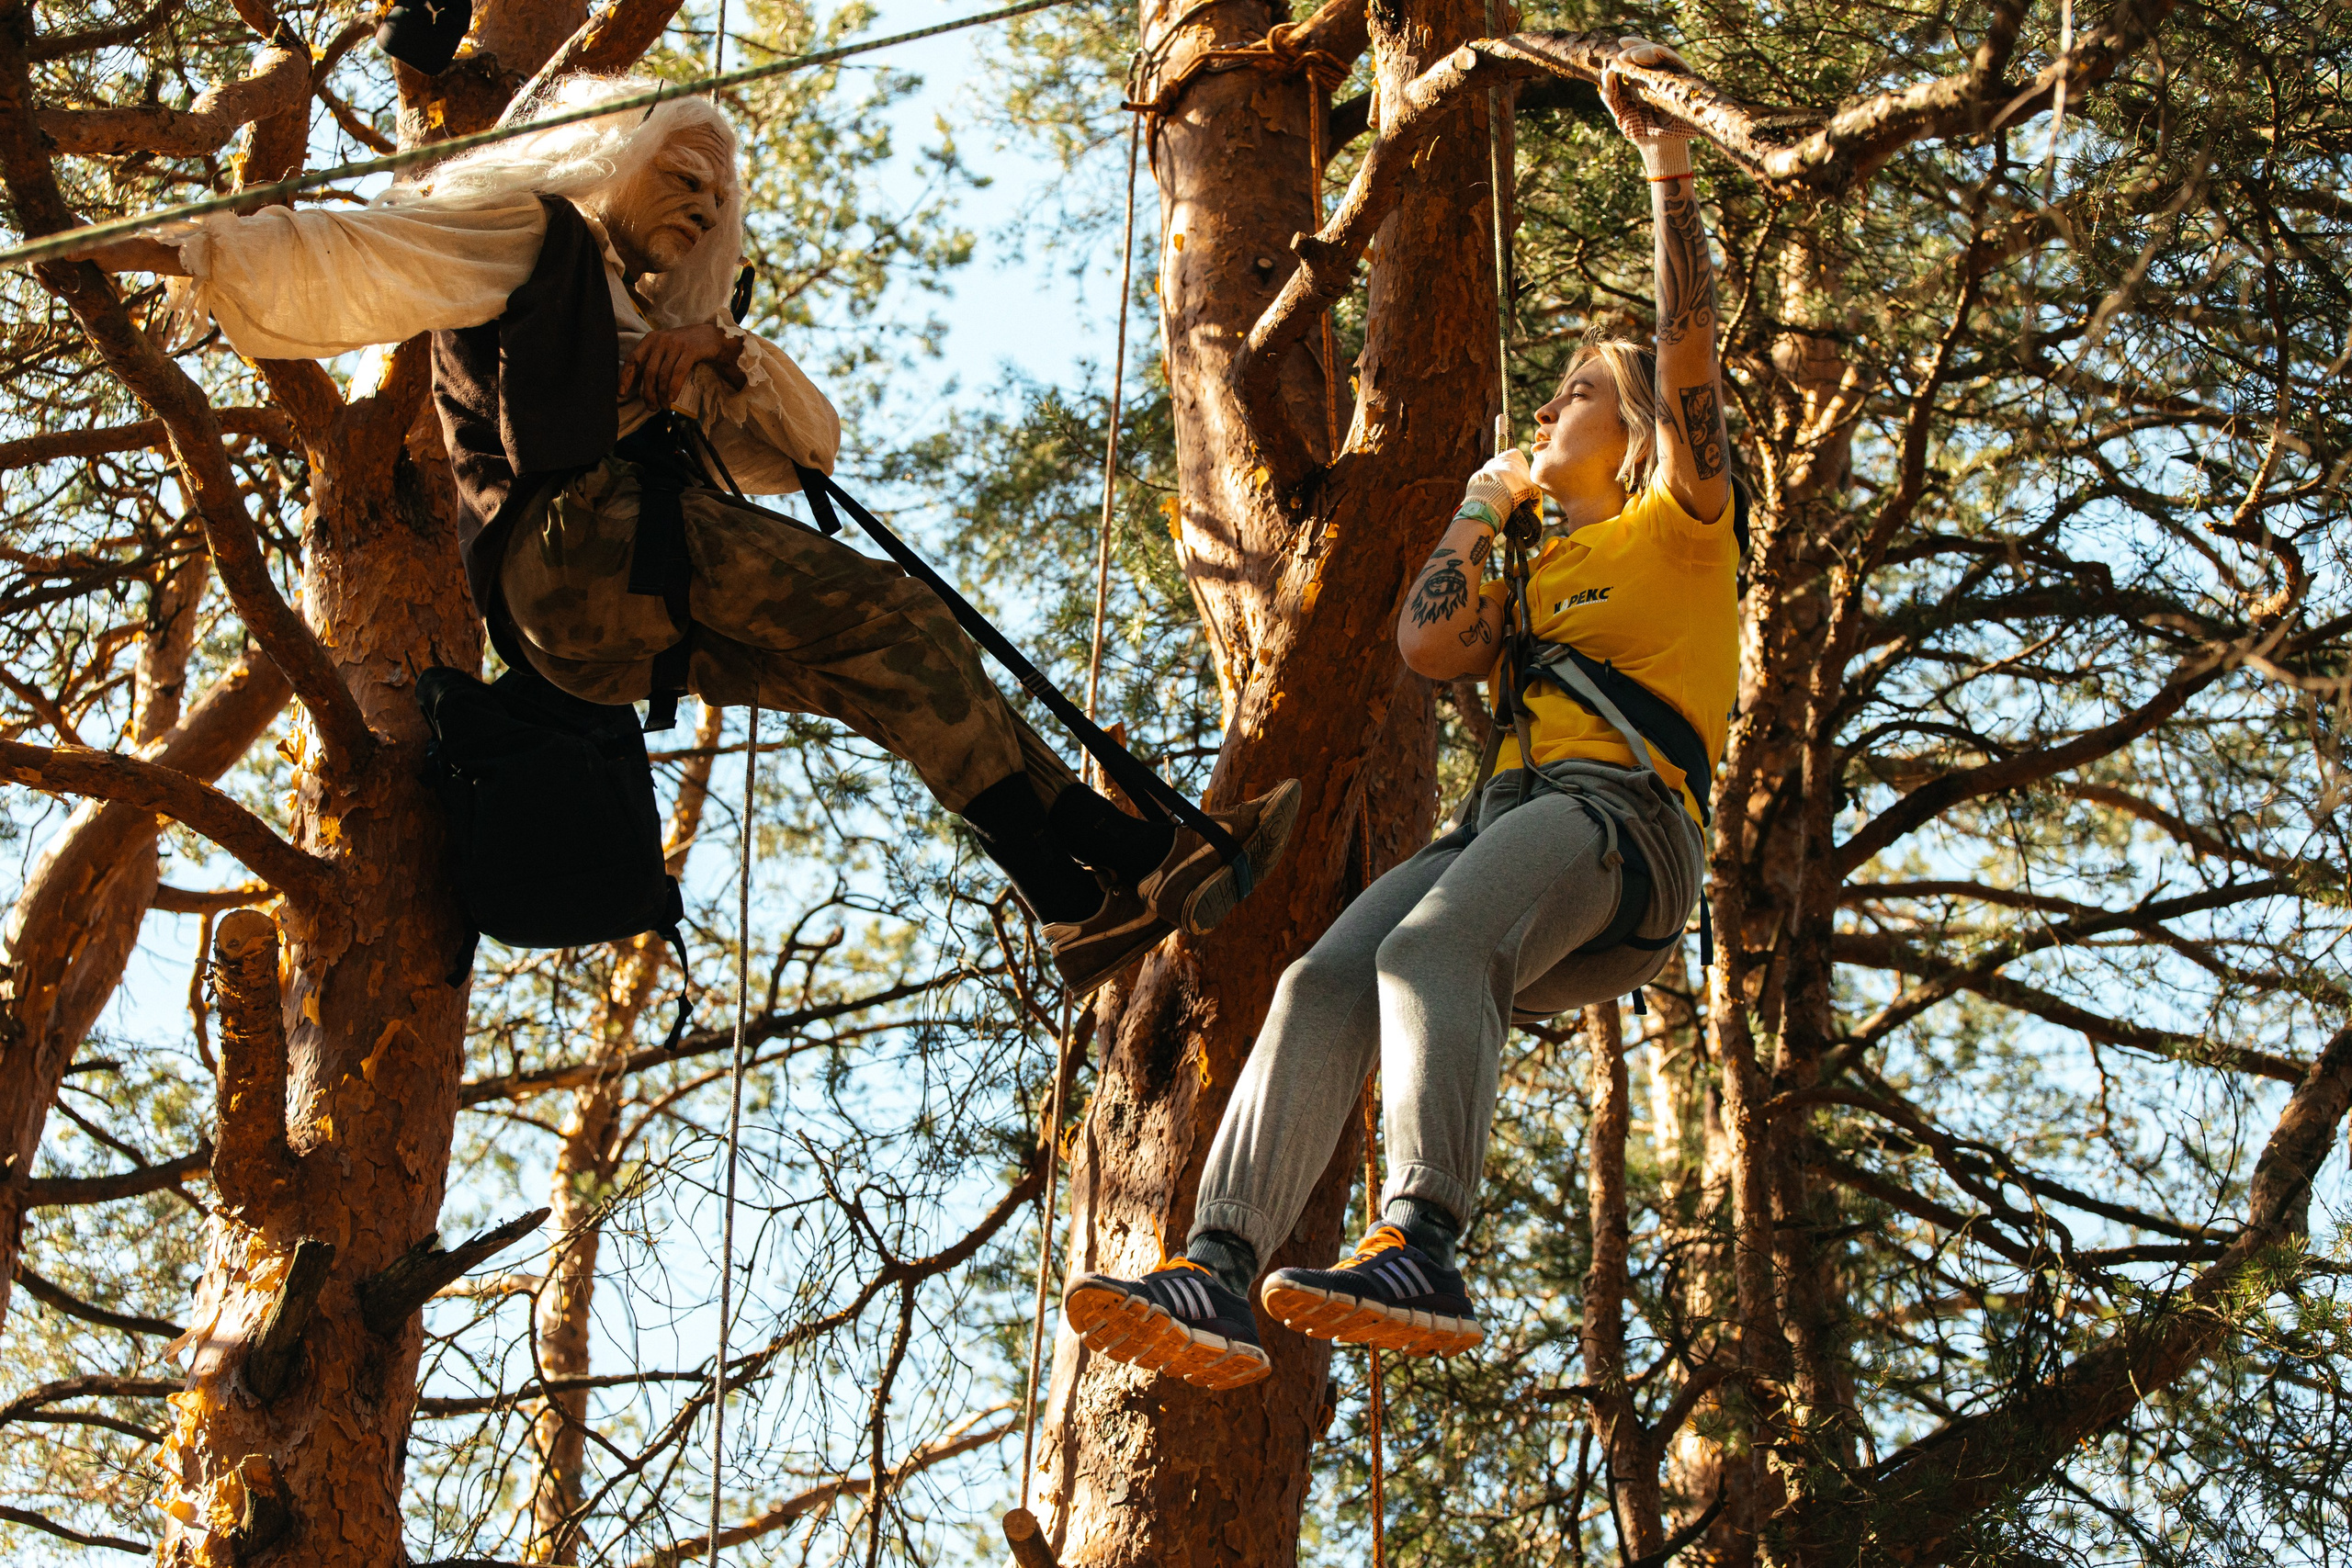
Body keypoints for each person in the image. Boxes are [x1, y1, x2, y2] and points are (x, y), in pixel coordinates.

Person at [65, 77, 1297, 993]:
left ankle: (1108, 881)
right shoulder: (537, 237)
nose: (704, 208)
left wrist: (720, 350)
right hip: (577, 547)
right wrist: (135, 245)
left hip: (599, 622)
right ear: (612, 162)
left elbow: (808, 446)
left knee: (894, 668)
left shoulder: (664, 341)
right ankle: (1082, 864)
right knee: (892, 613)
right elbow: (361, 250)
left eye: (719, 196)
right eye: (682, 178)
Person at [1059, 38, 1738, 1390]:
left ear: (1639, 428)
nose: (1554, 405)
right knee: (1323, 980)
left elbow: (1689, 357)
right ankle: (1217, 1272)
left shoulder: (1682, 526)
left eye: (1582, 392)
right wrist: (1481, 505)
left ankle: (1424, 1241)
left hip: (1622, 822)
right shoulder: (1529, 571)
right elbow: (1426, 643)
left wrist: (1665, 167)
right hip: (1511, 829)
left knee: (1428, 949)